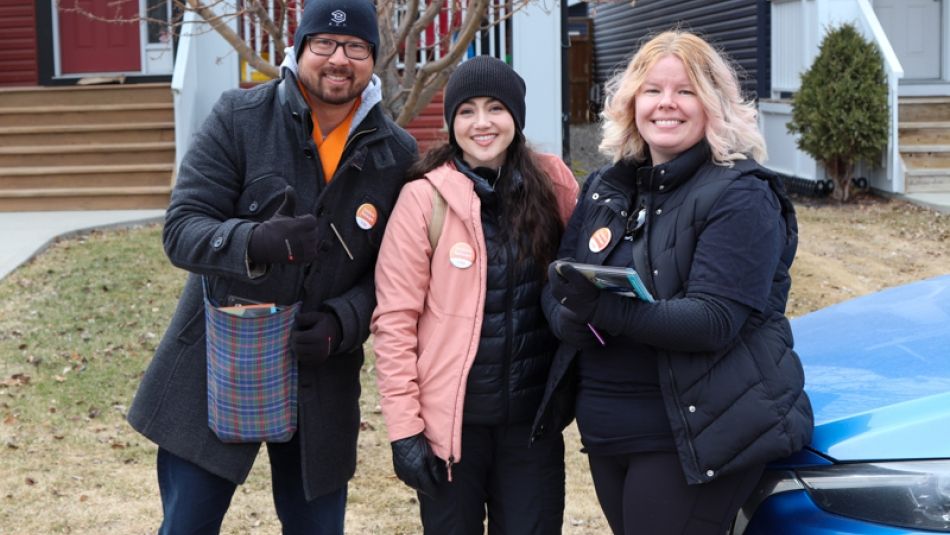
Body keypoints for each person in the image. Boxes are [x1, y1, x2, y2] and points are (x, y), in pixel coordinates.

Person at [126, 0, 416, 532]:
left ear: (373, 58)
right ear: (300, 47)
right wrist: (254, 241)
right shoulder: (239, 119)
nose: (338, 59)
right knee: (188, 525)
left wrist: (342, 323)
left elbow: (395, 276)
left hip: (320, 376)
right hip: (214, 362)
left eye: (355, 47)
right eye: (323, 44)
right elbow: (180, 229)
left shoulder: (397, 154)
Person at [531, 31, 814, 535]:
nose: (667, 104)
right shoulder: (607, 186)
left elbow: (713, 321)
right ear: (631, 102)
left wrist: (603, 311)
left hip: (691, 433)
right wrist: (572, 316)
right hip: (608, 428)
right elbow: (559, 284)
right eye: (652, 90)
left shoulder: (740, 194)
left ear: (713, 104)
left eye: (685, 91)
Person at [370, 56, 579, 534]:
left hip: (532, 428)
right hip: (450, 436)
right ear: (451, 122)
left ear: (517, 117)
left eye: (495, 109)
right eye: (466, 111)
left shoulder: (554, 185)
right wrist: (405, 430)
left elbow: (582, 280)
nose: (481, 123)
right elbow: (395, 321)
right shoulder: (424, 198)